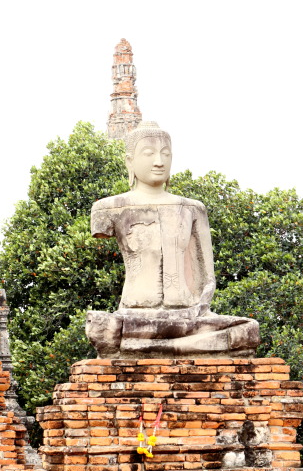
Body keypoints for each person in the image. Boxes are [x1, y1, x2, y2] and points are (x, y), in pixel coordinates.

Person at [85, 121, 259, 357]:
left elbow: (207, 277)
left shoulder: (192, 208)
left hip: (188, 316)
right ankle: (156, 345)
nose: (159, 161)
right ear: (130, 161)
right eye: (149, 153)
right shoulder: (109, 208)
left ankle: (142, 347)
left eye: (165, 154)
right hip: (135, 316)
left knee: (247, 330)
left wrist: (198, 310)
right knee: (104, 328)